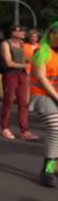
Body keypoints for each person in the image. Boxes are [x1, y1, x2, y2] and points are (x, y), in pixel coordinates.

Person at [29, 22, 58, 187]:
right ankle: (47, 168)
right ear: (51, 34)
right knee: (55, 129)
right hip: (44, 96)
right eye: (55, 33)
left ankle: (54, 163)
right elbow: (41, 77)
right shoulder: (42, 52)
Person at [0, 25, 37, 141]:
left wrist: (37, 57)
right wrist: (25, 65)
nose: (23, 32)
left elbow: (26, 58)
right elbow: (9, 62)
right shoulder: (6, 44)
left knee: (23, 102)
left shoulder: (21, 44)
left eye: (23, 30)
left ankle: (24, 131)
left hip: (22, 74)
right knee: (9, 101)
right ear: (12, 32)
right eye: (20, 30)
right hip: (10, 74)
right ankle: (5, 127)